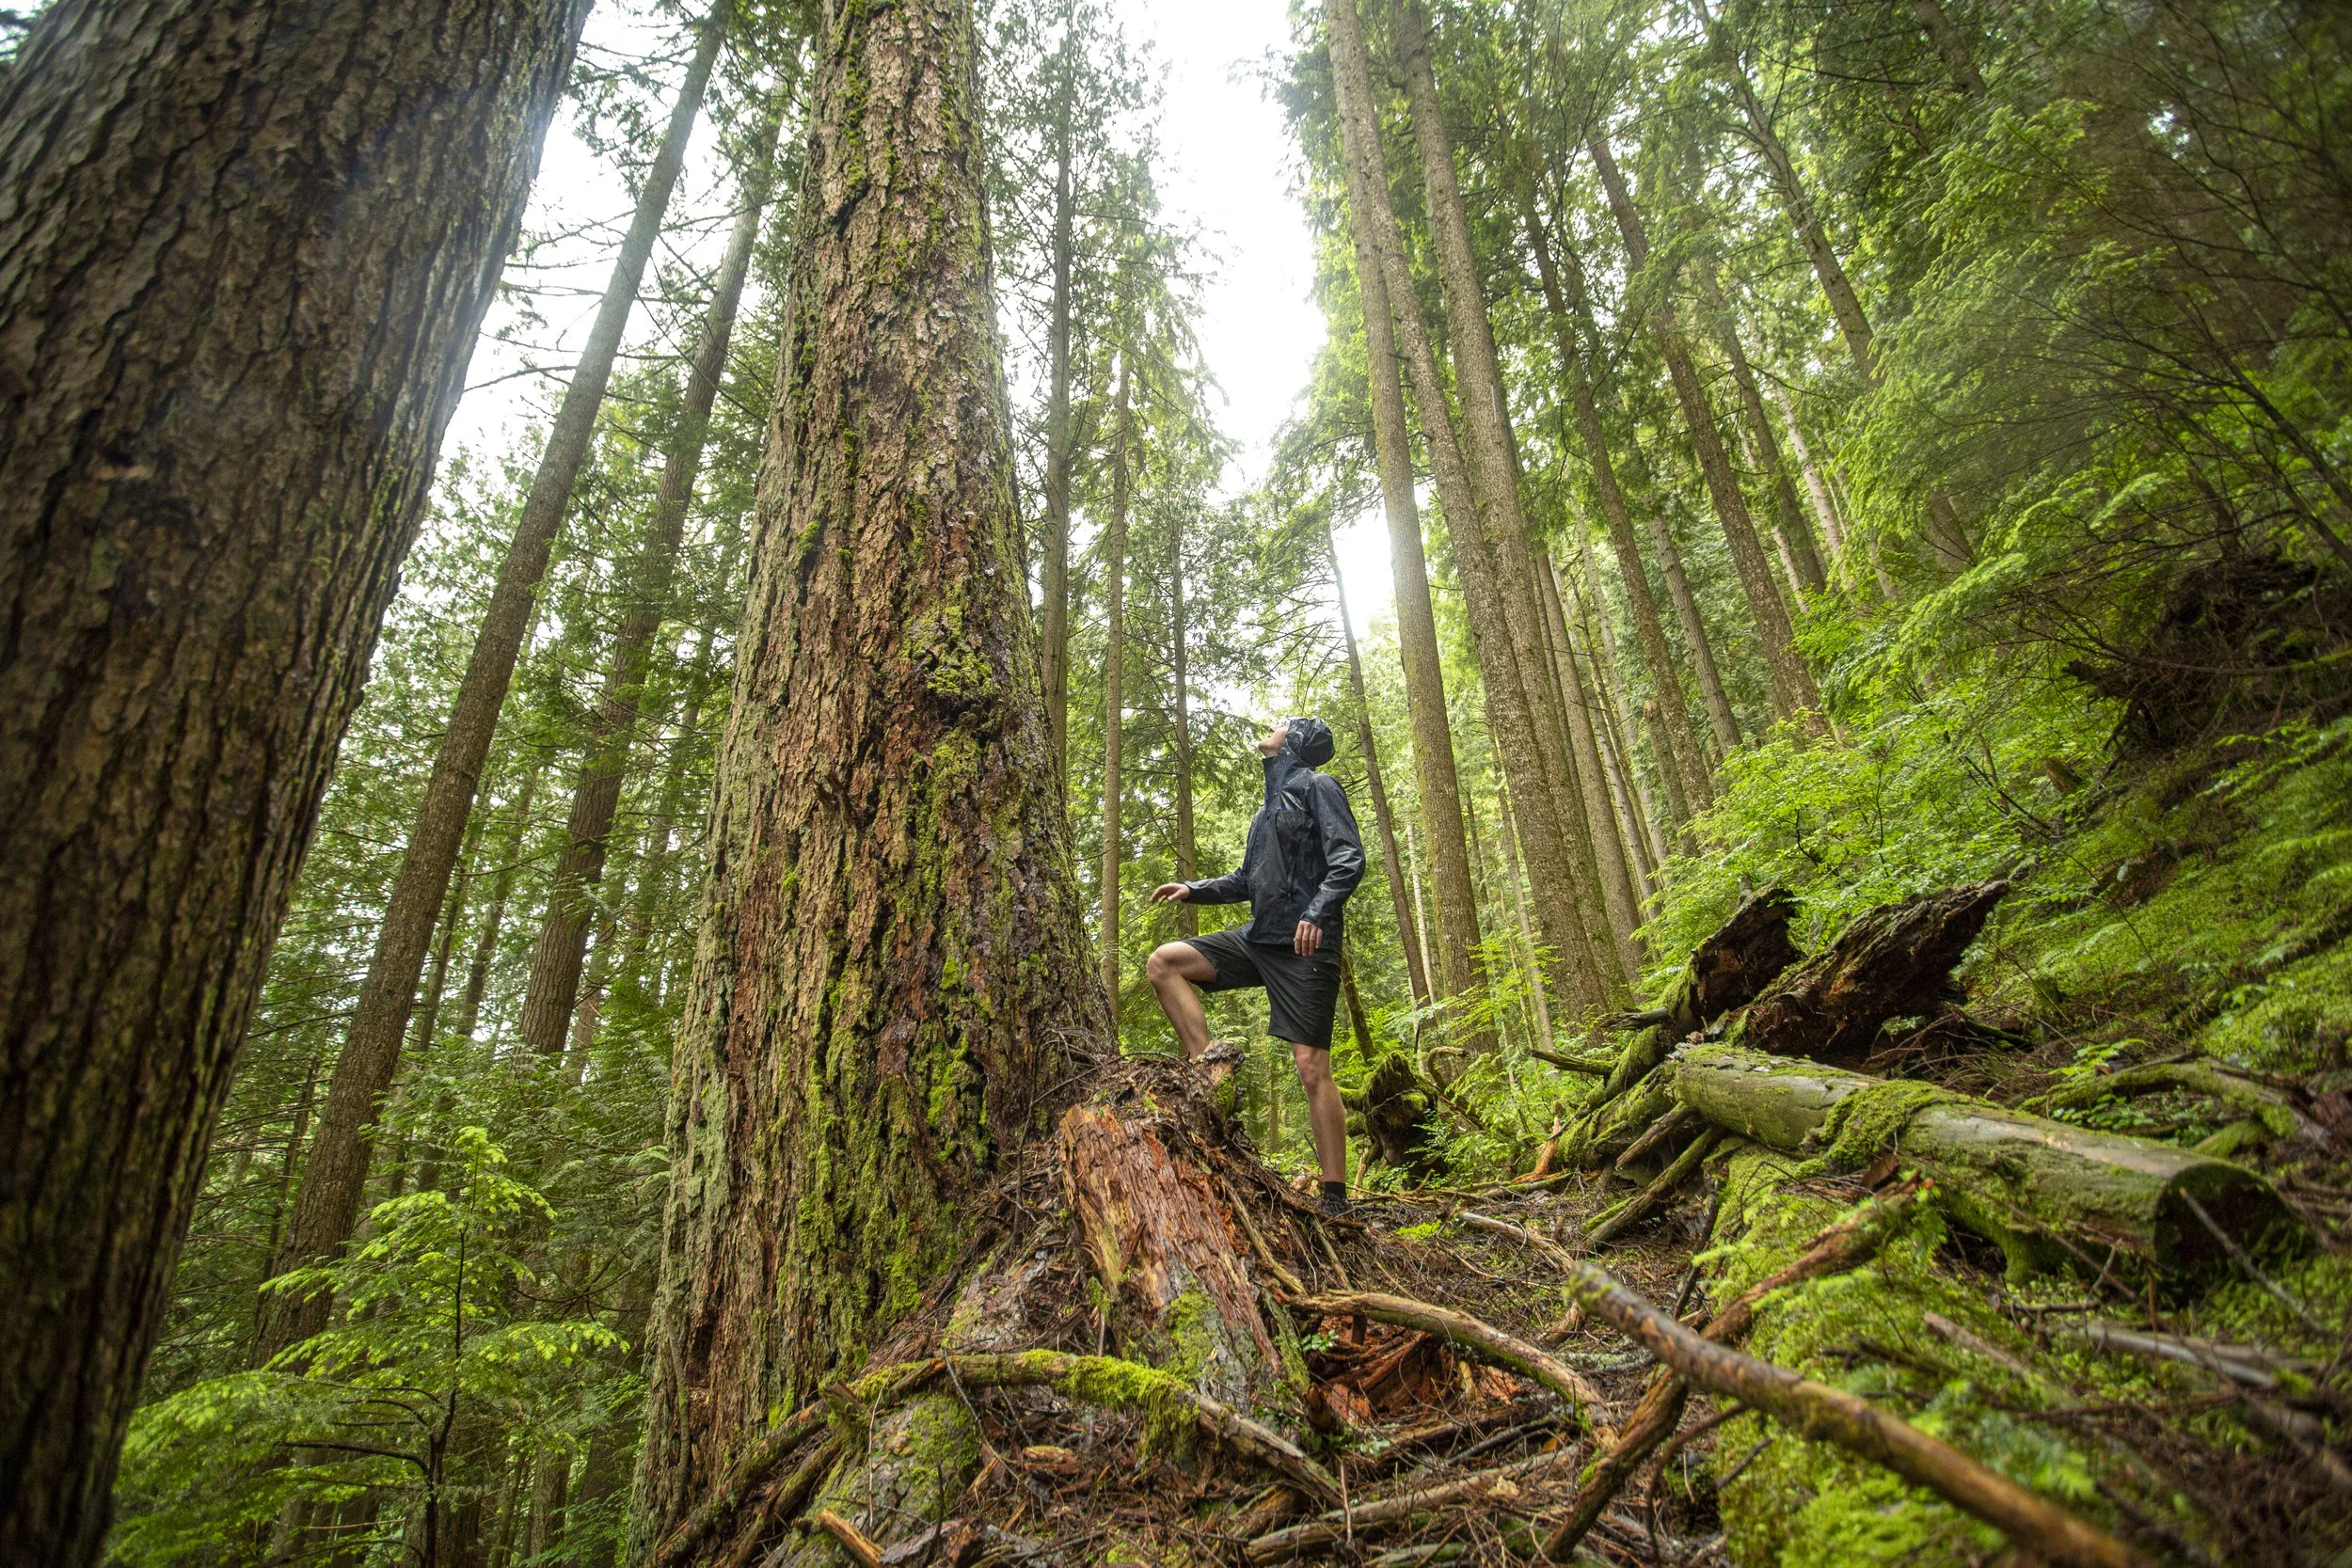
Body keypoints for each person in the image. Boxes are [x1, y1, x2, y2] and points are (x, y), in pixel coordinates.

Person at [1147, 715, 1364, 1214]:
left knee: (1312, 1068)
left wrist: (1317, 912)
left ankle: (1335, 1197)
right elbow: (1248, 879)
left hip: (1307, 946)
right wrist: (1194, 889)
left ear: (1299, 741)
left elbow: (1349, 857)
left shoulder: (1317, 786)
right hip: (1258, 938)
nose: (1273, 725)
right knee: (1166, 963)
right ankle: (1208, 1083)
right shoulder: (1266, 810)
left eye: (1285, 723)